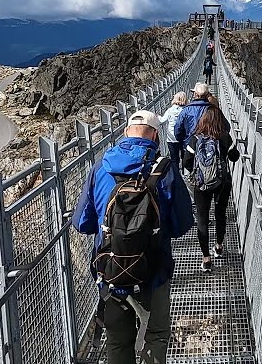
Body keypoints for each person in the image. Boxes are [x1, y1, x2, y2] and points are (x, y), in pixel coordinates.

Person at [73, 111, 193, 364]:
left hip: (112, 270)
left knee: (118, 341)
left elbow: (81, 223)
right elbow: (183, 224)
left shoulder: (100, 166)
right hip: (154, 269)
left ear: (125, 132)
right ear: (155, 135)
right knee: (157, 335)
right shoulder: (165, 169)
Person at [182, 104, 239, 272]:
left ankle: (206, 258)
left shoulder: (195, 138)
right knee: (220, 213)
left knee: (202, 219)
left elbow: (185, 161)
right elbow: (234, 157)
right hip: (222, 182)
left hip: (201, 184)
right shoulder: (224, 136)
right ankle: (219, 246)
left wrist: (198, 171)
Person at [172, 82, 211, 157]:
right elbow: (226, 127)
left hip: (188, 145)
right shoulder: (213, 110)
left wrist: (181, 141)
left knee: (188, 165)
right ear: (207, 95)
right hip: (208, 147)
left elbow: (178, 128)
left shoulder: (186, 110)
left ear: (195, 94)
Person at [158, 92, 188, 163]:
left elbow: (162, 120)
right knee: (185, 156)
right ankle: (186, 173)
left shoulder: (170, 110)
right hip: (183, 136)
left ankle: (175, 173)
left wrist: (158, 117)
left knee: (174, 158)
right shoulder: (186, 110)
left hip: (171, 137)